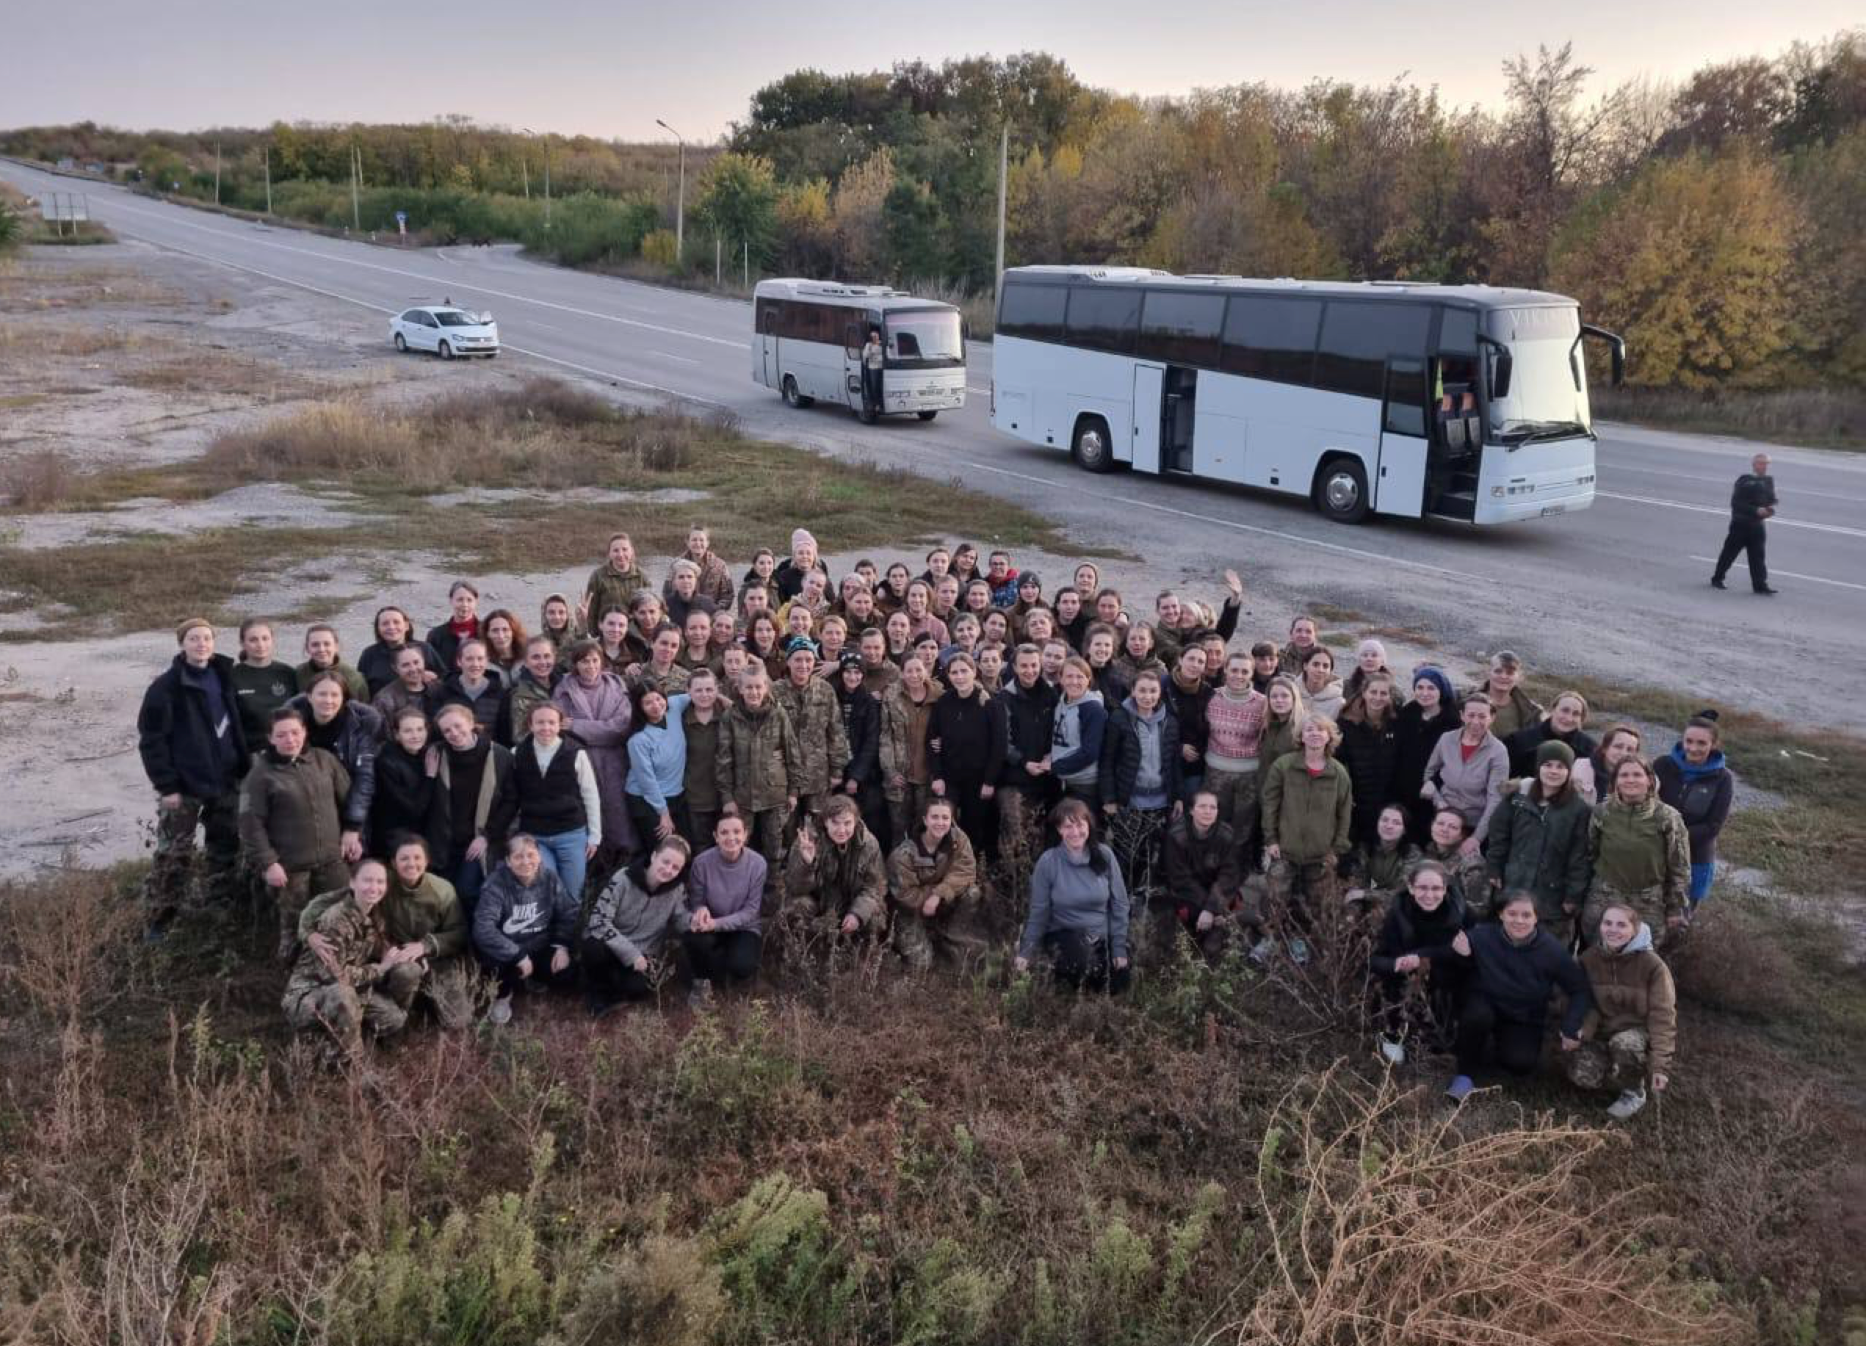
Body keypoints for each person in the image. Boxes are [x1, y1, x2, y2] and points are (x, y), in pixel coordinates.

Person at [138, 618, 252, 929]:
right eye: (193, 638)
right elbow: (152, 741)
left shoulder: (224, 675)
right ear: (182, 644)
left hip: (226, 780)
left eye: (206, 638)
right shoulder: (166, 688)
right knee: (173, 855)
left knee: (223, 847)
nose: (201, 643)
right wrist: (167, 785)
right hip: (184, 786)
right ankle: (159, 921)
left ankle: (220, 908)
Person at [300, 834, 473, 1031]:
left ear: (427, 861)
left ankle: (426, 997)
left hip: (436, 957)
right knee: (407, 973)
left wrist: (426, 946)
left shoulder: (443, 890)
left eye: (417, 858)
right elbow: (320, 903)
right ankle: (396, 1019)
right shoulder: (381, 882)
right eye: (404, 858)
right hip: (397, 954)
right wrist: (308, 933)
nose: (411, 864)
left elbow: (459, 932)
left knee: (458, 1021)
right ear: (394, 862)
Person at [1444, 891, 1591, 1102]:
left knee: (1520, 1064)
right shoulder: (1481, 936)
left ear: (1536, 918)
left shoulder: (1552, 950)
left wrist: (1571, 1024)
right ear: (1501, 915)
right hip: (1486, 1005)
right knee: (1476, 1017)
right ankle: (1465, 1074)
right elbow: (1452, 966)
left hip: (1524, 1015)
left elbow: (1579, 989)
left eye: (1526, 915)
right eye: (1512, 914)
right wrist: (1462, 955)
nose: (1519, 921)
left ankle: (1491, 1047)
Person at [239, 706, 351, 960]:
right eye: (281, 735)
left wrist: (353, 831)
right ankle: (289, 973)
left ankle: (338, 968)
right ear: (270, 738)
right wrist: (269, 863)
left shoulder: (324, 760)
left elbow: (349, 801)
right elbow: (250, 824)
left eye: (294, 732)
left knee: (340, 918)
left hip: (333, 861)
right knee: (295, 928)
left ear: (304, 732)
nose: (289, 740)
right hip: (291, 868)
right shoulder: (260, 774)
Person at [281, 858, 404, 1063]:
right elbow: (338, 976)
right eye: (367, 881)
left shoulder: (375, 916)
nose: (374, 887)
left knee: (393, 1019)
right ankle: (346, 1063)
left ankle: (341, 1033)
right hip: (310, 995)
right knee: (343, 993)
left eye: (380, 882)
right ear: (353, 883)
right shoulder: (335, 919)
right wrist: (381, 968)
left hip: (349, 991)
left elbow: (383, 947)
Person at [486, 702, 604, 904]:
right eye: (540, 722)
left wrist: (595, 835)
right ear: (530, 725)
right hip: (536, 836)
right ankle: (545, 933)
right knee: (546, 890)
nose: (546, 728)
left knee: (572, 894)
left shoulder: (575, 753)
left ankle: (568, 935)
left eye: (551, 722)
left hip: (571, 833)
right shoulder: (518, 754)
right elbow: (512, 797)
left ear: (560, 725)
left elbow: (590, 795)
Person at [1571, 903, 1678, 1120]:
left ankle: (1634, 1091)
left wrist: (1660, 1066)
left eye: (1622, 925)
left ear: (1635, 929)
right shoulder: (1589, 959)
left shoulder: (1653, 966)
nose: (1613, 930)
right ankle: (1615, 1065)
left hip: (1637, 1031)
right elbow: (1583, 1000)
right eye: (1607, 923)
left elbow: (1663, 1016)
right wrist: (1585, 1029)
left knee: (1624, 1044)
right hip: (1604, 1028)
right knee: (1583, 1077)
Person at [1259, 716, 1354, 958]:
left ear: (1329, 737)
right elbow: (1270, 803)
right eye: (1309, 730)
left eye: (1321, 730)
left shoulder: (1338, 773)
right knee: (1274, 897)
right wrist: (1271, 839)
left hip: (1320, 854)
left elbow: (1344, 813)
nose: (1314, 734)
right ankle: (1270, 938)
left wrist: (1337, 849)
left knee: (1312, 903)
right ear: (1301, 736)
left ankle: (1299, 940)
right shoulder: (1284, 765)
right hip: (1284, 850)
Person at [1016, 798, 1131, 993]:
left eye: (1079, 825)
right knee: (1084, 964)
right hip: (1064, 934)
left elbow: (1120, 904)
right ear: (1060, 830)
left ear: (1089, 825)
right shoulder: (1048, 861)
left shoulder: (1104, 855)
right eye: (1068, 826)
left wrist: (1119, 946)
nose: (1075, 832)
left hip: (1100, 936)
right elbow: (1039, 911)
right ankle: (1064, 977)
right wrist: (1026, 952)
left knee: (1120, 982)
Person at [1484, 741, 1594, 945]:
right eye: (1548, 765)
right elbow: (1499, 836)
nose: (1553, 771)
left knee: (1547, 950)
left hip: (1552, 895)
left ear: (1569, 771)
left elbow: (1580, 856)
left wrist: (1573, 895)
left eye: (1560, 767)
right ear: (1538, 767)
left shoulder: (1579, 809)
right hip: (1515, 883)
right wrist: (1494, 868)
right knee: (1507, 943)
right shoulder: (1517, 799)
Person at [1368, 860, 1472, 1066]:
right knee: (1389, 979)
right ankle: (1392, 1034)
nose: (1429, 895)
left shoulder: (1461, 912)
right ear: (1411, 888)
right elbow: (1376, 959)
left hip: (1446, 983)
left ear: (1445, 889)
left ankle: (1446, 1029)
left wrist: (1423, 957)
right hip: (1405, 983)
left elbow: (1473, 952)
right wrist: (1396, 964)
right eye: (1422, 888)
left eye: (1436, 888)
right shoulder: (1397, 914)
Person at [472, 833, 580, 1025]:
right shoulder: (496, 885)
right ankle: (503, 996)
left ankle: (532, 978)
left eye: (531, 855)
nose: (526, 862)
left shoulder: (550, 878)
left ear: (539, 856)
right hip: (508, 951)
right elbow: (483, 928)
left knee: (567, 972)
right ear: (508, 861)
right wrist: (518, 954)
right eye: (518, 857)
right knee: (498, 968)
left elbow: (567, 912)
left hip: (540, 944)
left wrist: (561, 946)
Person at [1583, 757, 1691, 947]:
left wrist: (1675, 908)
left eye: (1637, 774)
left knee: (1642, 955)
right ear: (1615, 780)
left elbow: (1679, 866)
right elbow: (1590, 853)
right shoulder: (1602, 812)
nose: (1630, 780)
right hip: (1605, 896)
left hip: (1648, 900)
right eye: (1624, 775)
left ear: (1649, 780)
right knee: (1597, 953)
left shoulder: (1667, 817)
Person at [583, 834, 694, 1012]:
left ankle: (612, 986)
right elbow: (598, 920)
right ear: (654, 856)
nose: (668, 870)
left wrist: (694, 922)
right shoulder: (623, 878)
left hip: (645, 953)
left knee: (640, 989)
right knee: (592, 948)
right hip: (614, 946)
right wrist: (630, 953)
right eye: (665, 862)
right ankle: (598, 994)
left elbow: (681, 919)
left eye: (675, 868)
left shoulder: (677, 889)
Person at [1099, 670, 1183, 902]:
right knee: (1125, 852)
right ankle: (1118, 896)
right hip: (1130, 799)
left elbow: (1174, 762)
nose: (1147, 696)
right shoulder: (1119, 718)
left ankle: (1138, 895)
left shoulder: (1170, 721)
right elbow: (1107, 761)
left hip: (1159, 800)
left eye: (1153, 691)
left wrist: (1177, 796)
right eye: (1142, 690)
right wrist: (1109, 799)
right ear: (1133, 691)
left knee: (1148, 852)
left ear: (1160, 693)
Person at [553, 639, 636, 866]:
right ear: (575, 664)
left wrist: (578, 726)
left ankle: (622, 863)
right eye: (584, 661)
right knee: (588, 812)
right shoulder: (563, 691)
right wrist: (601, 728)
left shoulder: (616, 685)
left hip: (614, 763)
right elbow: (559, 728)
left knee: (618, 812)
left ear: (601, 661)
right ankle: (593, 867)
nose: (590, 666)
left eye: (594, 660)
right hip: (580, 761)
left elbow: (620, 727)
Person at [715, 663, 801, 880]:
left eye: (758, 687)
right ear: (741, 689)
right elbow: (723, 760)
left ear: (765, 688)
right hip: (742, 796)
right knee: (740, 844)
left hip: (775, 794)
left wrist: (793, 791)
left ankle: (772, 890)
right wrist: (727, 797)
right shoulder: (730, 717)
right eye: (749, 687)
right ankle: (741, 887)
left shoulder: (778, 714)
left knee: (774, 846)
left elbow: (792, 753)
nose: (754, 692)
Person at [288, 671, 377, 858]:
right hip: (301, 811)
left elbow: (364, 779)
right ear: (309, 697)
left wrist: (353, 828)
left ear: (344, 698)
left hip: (347, 806)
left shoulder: (359, 727)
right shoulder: (290, 728)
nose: (328, 700)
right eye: (322, 694)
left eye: (335, 695)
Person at [888, 796, 982, 971]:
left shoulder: (958, 839)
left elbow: (966, 871)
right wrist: (932, 896)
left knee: (972, 892)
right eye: (935, 817)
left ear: (952, 820)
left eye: (945, 818)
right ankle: (893, 947)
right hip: (909, 911)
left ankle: (951, 933)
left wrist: (938, 894)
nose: (940, 823)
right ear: (925, 820)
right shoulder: (903, 855)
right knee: (922, 964)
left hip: (939, 902)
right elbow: (905, 895)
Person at [1653, 710, 1735, 909]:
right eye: (1688, 741)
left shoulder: (1723, 778)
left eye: (1701, 743)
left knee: (1680, 919)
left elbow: (1713, 826)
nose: (1693, 748)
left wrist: (1672, 836)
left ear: (1713, 745)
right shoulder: (1662, 765)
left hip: (1695, 859)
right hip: (1654, 853)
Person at [433, 702, 510, 913]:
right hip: (445, 841)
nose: (454, 733)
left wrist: (486, 836)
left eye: (458, 726)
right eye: (446, 730)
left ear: (471, 723)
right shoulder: (438, 756)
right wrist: (430, 777)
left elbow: (511, 801)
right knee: (446, 896)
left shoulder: (499, 755)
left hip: (479, 840)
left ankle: (478, 940)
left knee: (467, 890)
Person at [927, 652, 1006, 857]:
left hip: (979, 779)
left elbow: (999, 745)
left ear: (974, 672)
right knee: (945, 825)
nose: (960, 676)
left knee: (975, 827)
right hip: (950, 778)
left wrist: (989, 780)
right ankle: (946, 864)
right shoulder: (943, 702)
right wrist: (937, 776)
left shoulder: (990, 703)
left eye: (964, 671)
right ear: (949, 676)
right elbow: (932, 740)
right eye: (955, 672)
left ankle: (975, 872)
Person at [684, 813, 767, 1002]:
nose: (731, 838)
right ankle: (702, 981)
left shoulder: (758, 864)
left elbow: (751, 911)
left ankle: (726, 969)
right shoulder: (702, 862)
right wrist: (701, 910)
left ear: (746, 834)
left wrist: (716, 924)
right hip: (710, 923)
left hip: (743, 927)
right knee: (692, 938)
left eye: (737, 832)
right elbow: (696, 901)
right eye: (724, 832)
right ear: (715, 836)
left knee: (742, 966)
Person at [772, 637, 850, 836]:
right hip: (785, 777)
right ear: (788, 661)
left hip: (818, 775)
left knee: (819, 828)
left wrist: (837, 770)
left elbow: (836, 731)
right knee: (786, 830)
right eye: (798, 660)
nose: (803, 665)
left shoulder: (824, 690)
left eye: (808, 659)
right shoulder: (775, 691)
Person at [785, 794, 888, 942]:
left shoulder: (869, 843)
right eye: (835, 823)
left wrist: (857, 914)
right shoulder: (807, 841)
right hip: (819, 905)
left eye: (847, 823)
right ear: (825, 821)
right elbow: (794, 888)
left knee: (874, 914)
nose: (841, 830)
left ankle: (858, 954)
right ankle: (807, 952)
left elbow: (875, 887)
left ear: (856, 821)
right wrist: (807, 864)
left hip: (851, 903)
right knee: (796, 908)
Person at [1160, 789, 1246, 961]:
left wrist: (1212, 908)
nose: (1208, 811)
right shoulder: (1176, 836)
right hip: (1187, 894)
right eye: (1202, 806)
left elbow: (1229, 875)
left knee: (1231, 914)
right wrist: (1207, 908)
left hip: (1217, 894)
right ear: (1191, 810)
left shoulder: (1226, 835)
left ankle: (1217, 945)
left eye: (1212, 807)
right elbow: (1180, 879)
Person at [1420, 696, 1509, 848]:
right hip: (1443, 817)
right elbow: (1429, 772)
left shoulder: (1498, 751)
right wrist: (1438, 800)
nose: (1475, 722)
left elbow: (1495, 798)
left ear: (1492, 718)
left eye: (1482, 716)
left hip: (1472, 825)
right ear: (1462, 715)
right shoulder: (1446, 739)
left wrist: (1476, 838)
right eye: (1471, 715)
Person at [1203, 653, 1268, 846]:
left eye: (1245, 671)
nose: (1239, 675)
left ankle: (1237, 871)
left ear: (1251, 674)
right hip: (1215, 772)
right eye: (1234, 670)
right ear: (1225, 670)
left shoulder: (1263, 703)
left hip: (1248, 775)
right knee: (1214, 825)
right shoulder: (1211, 696)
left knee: (1242, 829)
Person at [370, 706, 450, 862]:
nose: (415, 736)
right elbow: (414, 809)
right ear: (397, 735)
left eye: (420, 729)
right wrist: (430, 777)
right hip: (395, 838)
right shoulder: (386, 763)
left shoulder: (427, 754)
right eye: (408, 731)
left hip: (424, 833)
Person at [880, 655, 944, 845]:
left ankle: (921, 868)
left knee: (923, 828)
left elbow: (951, 727)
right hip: (899, 774)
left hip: (928, 775)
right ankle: (897, 869)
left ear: (926, 671)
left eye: (918, 670)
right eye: (909, 670)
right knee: (899, 829)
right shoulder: (892, 695)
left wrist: (944, 741)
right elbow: (885, 736)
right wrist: (890, 771)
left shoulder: (939, 695)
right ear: (902, 673)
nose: (914, 675)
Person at [1335, 673, 1400, 845]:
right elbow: (1338, 761)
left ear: (1390, 696)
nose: (1378, 698)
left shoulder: (1396, 722)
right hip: (1356, 798)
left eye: (1383, 693)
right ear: (1364, 692)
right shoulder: (1346, 723)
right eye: (1373, 692)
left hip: (1387, 799)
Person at [832, 653, 887, 847]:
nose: (852, 677)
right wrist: (836, 771)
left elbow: (871, 741)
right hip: (836, 770)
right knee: (837, 818)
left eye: (857, 672)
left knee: (869, 818)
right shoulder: (832, 697)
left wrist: (856, 776)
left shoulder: (869, 702)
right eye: (848, 672)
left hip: (864, 773)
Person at [626, 685, 692, 848]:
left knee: (685, 847)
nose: (656, 705)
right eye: (647, 703)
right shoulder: (638, 740)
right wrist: (663, 813)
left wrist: (724, 701)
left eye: (658, 699)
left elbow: (699, 694)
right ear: (639, 708)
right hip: (647, 800)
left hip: (676, 794)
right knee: (663, 850)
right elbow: (646, 780)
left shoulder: (674, 707)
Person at [1710, 452, 1779, 594]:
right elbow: (1736, 503)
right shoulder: (1744, 480)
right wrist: (1756, 510)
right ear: (1754, 465)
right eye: (1761, 463)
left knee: (1758, 557)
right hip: (1740, 524)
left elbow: (1770, 500)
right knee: (1729, 554)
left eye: (1766, 464)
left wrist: (1769, 509)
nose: (1764, 467)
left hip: (1757, 526)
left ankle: (1760, 585)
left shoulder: (1768, 481)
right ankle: (1717, 578)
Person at [1342, 803, 1420, 921]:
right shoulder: (1365, 849)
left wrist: (1365, 894)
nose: (1389, 826)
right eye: (1384, 820)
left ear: (1404, 830)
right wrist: (1352, 913)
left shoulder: (1412, 853)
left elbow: (1401, 892)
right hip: (1369, 903)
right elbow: (1356, 886)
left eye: (1396, 823)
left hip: (1397, 908)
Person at [1050, 657, 1108, 810]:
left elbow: (1090, 752)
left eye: (1080, 676)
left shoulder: (1093, 709)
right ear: (1061, 679)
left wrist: (1055, 766)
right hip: (1063, 780)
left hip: (1084, 785)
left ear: (1088, 680)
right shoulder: (1062, 702)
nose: (1074, 681)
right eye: (1069, 676)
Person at [229, 619, 298, 747]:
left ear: (273, 640)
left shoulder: (288, 673)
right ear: (242, 643)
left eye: (265, 638)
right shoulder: (232, 676)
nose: (260, 645)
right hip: (250, 752)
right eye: (253, 640)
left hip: (287, 747)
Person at [357, 606, 442, 697]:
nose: (391, 627)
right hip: (382, 707)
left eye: (396, 622)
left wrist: (433, 677)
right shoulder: (369, 654)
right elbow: (361, 688)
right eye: (385, 624)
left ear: (406, 626)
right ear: (378, 629)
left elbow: (444, 677)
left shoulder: (425, 649)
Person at [582, 533, 649, 636]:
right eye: (615, 550)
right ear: (609, 553)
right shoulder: (598, 576)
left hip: (635, 634)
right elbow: (591, 611)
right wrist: (593, 636)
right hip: (608, 633)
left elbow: (649, 607)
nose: (620, 554)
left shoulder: (642, 576)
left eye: (625, 549)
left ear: (632, 551)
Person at [442, 638, 508, 737]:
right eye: (469, 659)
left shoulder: (501, 693)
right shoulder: (444, 691)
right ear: (459, 661)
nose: (475, 664)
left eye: (480, 659)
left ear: (487, 661)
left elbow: (505, 733)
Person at [1471, 651, 1542, 742]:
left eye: (1510, 673)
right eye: (1498, 671)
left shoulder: (1531, 712)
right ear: (1488, 672)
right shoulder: (1463, 700)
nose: (1503, 676)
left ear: (1519, 677)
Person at [667, 524, 735, 612]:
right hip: (683, 615)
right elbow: (667, 593)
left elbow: (728, 596)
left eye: (701, 540)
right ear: (687, 542)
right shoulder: (675, 564)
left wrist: (714, 611)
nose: (698, 543)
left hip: (711, 616)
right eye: (694, 540)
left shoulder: (720, 565)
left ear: (707, 543)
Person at [505, 636, 560, 744]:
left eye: (547, 656)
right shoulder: (518, 694)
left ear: (554, 658)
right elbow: (519, 736)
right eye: (536, 657)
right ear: (525, 662)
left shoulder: (564, 685)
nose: (543, 662)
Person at [295, 623, 368, 704]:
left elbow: (364, 710)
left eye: (327, 644)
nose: (321, 649)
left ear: (336, 647)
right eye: (315, 645)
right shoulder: (298, 674)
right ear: (307, 648)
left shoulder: (354, 677)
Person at [371, 645, 443, 724]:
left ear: (424, 661)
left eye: (416, 662)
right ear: (395, 668)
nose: (413, 669)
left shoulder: (439, 688)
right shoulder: (385, 700)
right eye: (405, 665)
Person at [425, 580, 481, 673]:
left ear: (476, 602)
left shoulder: (486, 631)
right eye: (460, 600)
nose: (465, 604)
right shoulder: (436, 635)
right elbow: (429, 666)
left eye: (469, 600)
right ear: (451, 601)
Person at [1590, 724, 1644, 805]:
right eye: (1618, 746)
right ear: (1605, 748)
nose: (1623, 753)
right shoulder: (1582, 770)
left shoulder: (1644, 779)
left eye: (1630, 749)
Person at [774, 528, 830, 602]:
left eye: (808, 553)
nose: (805, 556)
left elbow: (831, 600)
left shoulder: (821, 573)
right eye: (800, 553)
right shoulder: (784, 576)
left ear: (814, 556)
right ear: (794, 556)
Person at [1339, 638, 1394, 705]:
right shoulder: (1346, 687)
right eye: (1365, 655)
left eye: (1374, 655)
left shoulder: (1392, 689)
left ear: (1382, 661)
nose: (1369, 659)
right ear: (1359, 660)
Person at [1298, 647, 1344, 722]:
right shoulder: (1291, 693)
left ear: (1330, 671)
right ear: (1305, 666)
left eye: (1325, 666)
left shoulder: (1338, 703)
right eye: (1315, 665)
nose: (1320, 670)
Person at [481, 609, 527, 676]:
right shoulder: (482, 662)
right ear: (487, 634)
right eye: (495, 630)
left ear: (514, 631)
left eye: (505, 630)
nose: (501, 636)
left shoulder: (528, 656)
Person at [860, 326, 884, 419]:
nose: (875, 338)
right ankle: (874, 404)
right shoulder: (868, 345)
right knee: (873, 386)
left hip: (882, 368)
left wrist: (876, 357)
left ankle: (880, 403)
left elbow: (887, 356)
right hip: (872, 368)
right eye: (873, 337)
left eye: (876, 336)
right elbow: (865, 356)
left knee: (880, 386)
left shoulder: (882, 344)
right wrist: (870, 350)